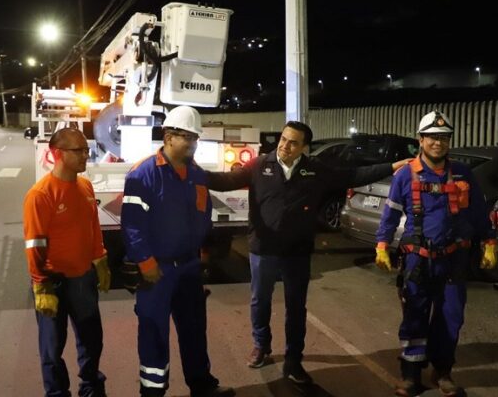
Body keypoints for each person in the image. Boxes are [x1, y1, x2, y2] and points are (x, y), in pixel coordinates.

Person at [206, 120, 409, 385]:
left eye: (293, 142)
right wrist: (187, 170)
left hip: (297, 252)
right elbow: (225, 181)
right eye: (283, 139)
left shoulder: (315, 170)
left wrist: (392, 166)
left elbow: (354, 175)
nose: (285, 146)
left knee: (296, 308)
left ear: (304, 148)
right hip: (263, 249)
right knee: (260, 301)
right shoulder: (260, 165)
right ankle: (261, 345)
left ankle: (293, 360)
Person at [374, 111, 497, 397]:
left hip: (454, 259)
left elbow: (478, 211)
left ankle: (443, 372)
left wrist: (489, 241)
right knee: (415, 317)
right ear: (421, 140)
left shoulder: (464, 173)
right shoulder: (405, 175)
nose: (438, 143)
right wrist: (382, 245)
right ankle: (410, 376)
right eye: (432, 137)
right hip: (418, 259)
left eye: (443, 138)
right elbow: (390, 215)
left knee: (450, 317)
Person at [121, 106, 235, 397]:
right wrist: (145, 263)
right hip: (156, 271)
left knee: (195, 330)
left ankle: (202, 385)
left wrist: (202, 253)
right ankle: (153, 391)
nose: (193, 144)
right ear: (169, 136)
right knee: (154, 333)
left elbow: (202, 216)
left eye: (195, 138)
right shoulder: (143, 173)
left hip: (188, 267)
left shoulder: (196, 174)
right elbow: (133, 226)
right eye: (187, 137)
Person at [23, 127, 111, 397]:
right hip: (54, 283)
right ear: (57, 154)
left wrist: (101, 260)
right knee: (52, 350)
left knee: (92, 342)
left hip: (83, 280)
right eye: (79, 150)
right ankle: (57, 393)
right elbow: (35, 245)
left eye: (86, 149)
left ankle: (91, 388)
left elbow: (93, 228)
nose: (86, 155)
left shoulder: (85, 186)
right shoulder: (41, 195)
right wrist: (41, 285)